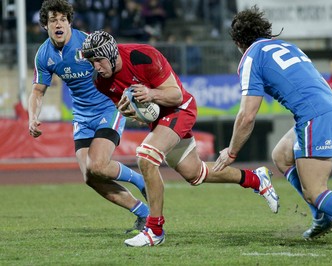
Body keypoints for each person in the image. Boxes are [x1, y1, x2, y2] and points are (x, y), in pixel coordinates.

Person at [80, 30, 279, 247]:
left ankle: (154, 229)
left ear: (110, 54)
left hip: (179, 108)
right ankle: (256, 179)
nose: (96, 66)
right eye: (92, 62)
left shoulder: (142, 55)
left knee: (146, 158)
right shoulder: (100, 81)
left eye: (98, 60)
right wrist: (132, 112)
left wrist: (151, 94)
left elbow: (175, 95)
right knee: (195, 173)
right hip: (160, 119)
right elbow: (132, 108)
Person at [214, 5, 332, 251]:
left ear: (238, 42)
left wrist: (231, 152)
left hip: (314, 117)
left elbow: (247, 115)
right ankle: (322, 218)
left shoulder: (251, 57)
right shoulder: (286, 46)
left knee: (314, 191)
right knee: (282, 156)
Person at [27, 0, 149, 234]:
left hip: (107, 107)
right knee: (90, 176)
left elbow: (118, 63)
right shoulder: (44, 55)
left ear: (70, 21)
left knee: (98, 164)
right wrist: (32, 118)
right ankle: (142, 213)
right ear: (45, 25)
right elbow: (37, 91)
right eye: (53, 20)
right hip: (82, 116)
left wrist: (133, 97)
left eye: (63, 19)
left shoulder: (88, 42)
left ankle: (139, 179)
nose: (58, 24)